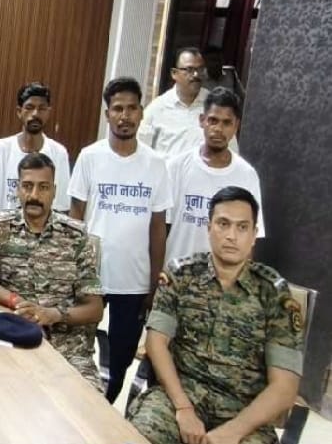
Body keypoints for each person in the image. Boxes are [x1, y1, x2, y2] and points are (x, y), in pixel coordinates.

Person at [128, 186, 302, 444]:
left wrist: (233, 431)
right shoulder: (181, 275)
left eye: (242, 227)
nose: (231, 235)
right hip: (179, 397)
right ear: (209, 228)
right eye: (223, 224)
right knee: (139, 434)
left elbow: (285, 386)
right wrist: (183, 407)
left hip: (244, 413)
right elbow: (156, 342)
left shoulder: (273, 294)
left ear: (254, 235)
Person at [69, 76, 172, 403]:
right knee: (79, 351)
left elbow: (158, 227)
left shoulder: (156, 164)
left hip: (135, 281)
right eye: (117, 109)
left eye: (131, 108)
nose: (124, 116)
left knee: (121, 359)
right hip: (92, 277)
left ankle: (103, 408)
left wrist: (154, 283)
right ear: (107, 114)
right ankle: (78, 408)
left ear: (141, 113)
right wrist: (72, 271)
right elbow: (75, 218)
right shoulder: (90, 156)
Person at [0, 152, 104, 388]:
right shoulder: (0, 225)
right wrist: (15, 301)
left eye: (43, 187)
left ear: (54, 191)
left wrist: (53, 314)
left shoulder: (76, 236)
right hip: (10, 339)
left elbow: (94, 308)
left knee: (90, 403)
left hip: (66, 350)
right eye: (27, 186)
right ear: (17, 189)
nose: (34, 195)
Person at [165, 87, 263, 266]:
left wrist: (242, 280)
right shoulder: (176, 167)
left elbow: (249, 239)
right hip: (176, 276)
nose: (218, 129)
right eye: (213, 120)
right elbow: (162, 227)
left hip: (223, 279)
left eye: (226, 123)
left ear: (236, 126)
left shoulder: (247, 175)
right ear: (202, 120)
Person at [0, 82, 71, 227]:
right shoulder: (2, 148)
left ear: (48, 112)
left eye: (42, 108)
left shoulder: (59, 153)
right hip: (4, 234)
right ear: (19, 111)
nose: (35, 114)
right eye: (29, 108)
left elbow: (62, 209)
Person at [139, 47, 238, 158]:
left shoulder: (215, 106)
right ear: (174, 73)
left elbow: (232, 151)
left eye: (200, 69)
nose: (196, 74)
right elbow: (140, 149)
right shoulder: (157, 108)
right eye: (189, 70)